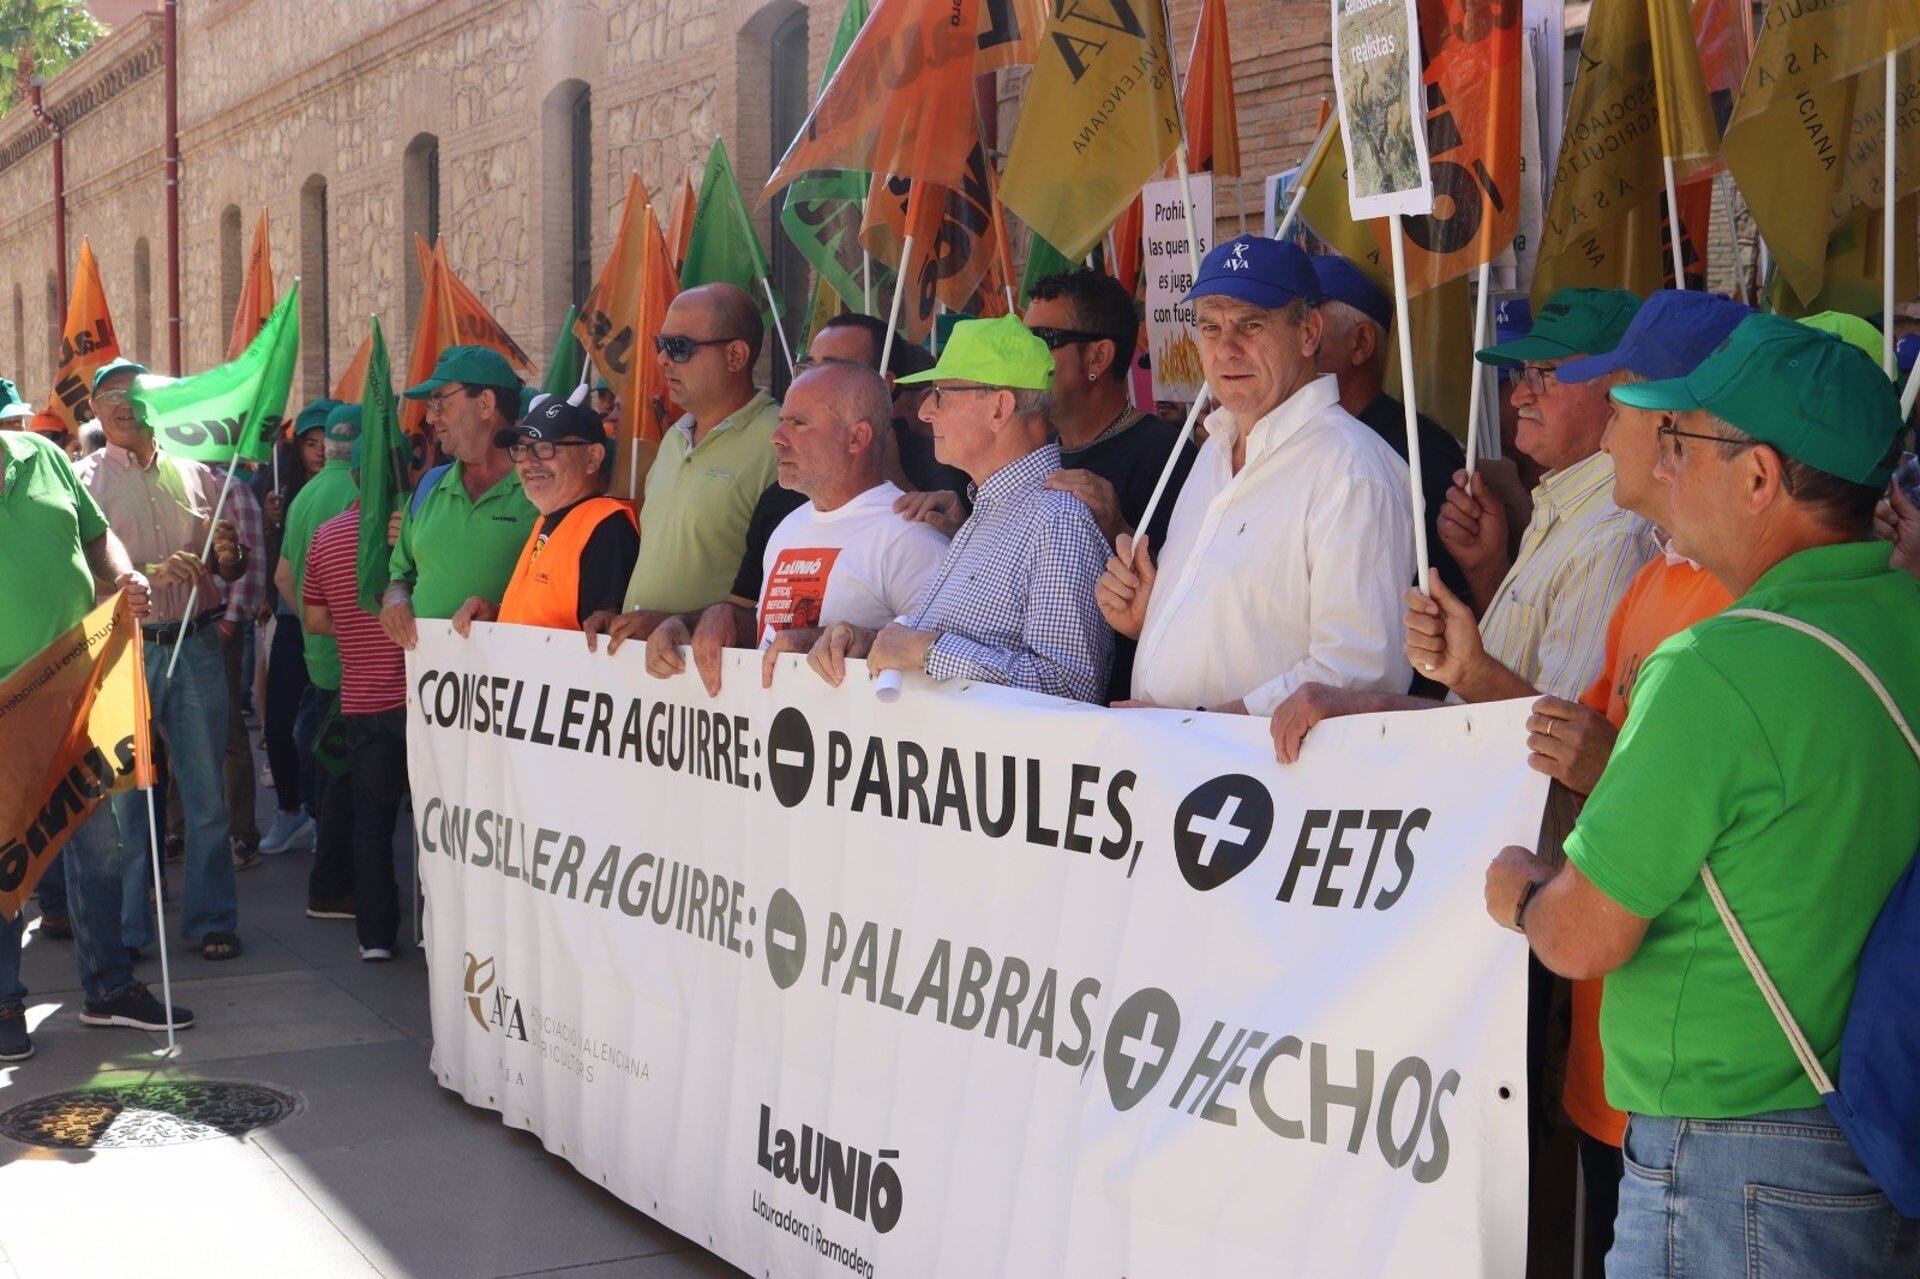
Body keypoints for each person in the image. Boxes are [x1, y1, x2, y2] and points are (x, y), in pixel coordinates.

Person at [1486, 314, 1920, 1274]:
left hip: (1730, 1161)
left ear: (1760, 478)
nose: (1661, 463)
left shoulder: (1717, 667)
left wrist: (1518, 888)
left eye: (1680, 442)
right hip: (1874, 1130)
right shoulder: (1905, 616)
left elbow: (1584, 933)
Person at [1487, 290, 1748, 1274]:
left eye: (1625, 398)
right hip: (1621, 1061)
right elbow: (1580, 750)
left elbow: (1607, 812)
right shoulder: (1654, 584)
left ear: (1680, 429)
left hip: (1705, 1101)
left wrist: (1522, 893)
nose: (1611, 426)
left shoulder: (1742, 614)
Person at [1268, 287, 1656, 759]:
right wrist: (1488, 570)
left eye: (1545, 375)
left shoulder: (1615, 535)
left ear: (1618, 390)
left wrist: (1455, 675)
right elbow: (1508, 693)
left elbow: (1565, 752)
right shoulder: (1565, 503)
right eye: (1522, 373)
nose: (1519, 395)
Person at [1096, 236, 1415, 715]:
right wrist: (1155, 615)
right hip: (1177, 767)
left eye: (1251, 324)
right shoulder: (1215, 450)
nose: (1226, 349)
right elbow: (1246, 627)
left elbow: (1358, 673)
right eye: (1210, 327)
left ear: (1309, 333)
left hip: (1259, 780)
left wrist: (1190, 727)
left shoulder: (1352, 472)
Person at [0, 428, 194, 1060]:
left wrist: (124, 572)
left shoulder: (44, 455)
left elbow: (97, 532)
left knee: (100, 846)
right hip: (4, 703)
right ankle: (3, 1003)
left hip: (74, 688)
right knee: (6, 857)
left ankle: (107, 988)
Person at [803, 316, 1112, 703]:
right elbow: (942, 640)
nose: (925, 412)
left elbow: (1072, 687)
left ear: (999, 409)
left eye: (941, 394)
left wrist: (926, 650)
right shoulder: (987, 511)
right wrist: (871, 641)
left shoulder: (1058, 520)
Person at [78, 357, 249, 963]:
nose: (124, 404)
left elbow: (230, 568)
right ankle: (127, 931)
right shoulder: (80, 483)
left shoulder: (197, 474)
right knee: (125, 802)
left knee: (206, 796)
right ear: (93, 409)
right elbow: (76, 582)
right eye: (110, 394)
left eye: (135, 391)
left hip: (196, 644)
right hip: (120, 655)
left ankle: (210, 921)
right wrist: (147, 573)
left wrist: (229, 555)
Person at [643, 360, 949, 692]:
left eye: (798, 423)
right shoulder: (788, 526)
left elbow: (941, 667)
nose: (776, 437)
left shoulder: (910, 537)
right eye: (781, 422)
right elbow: (774, 633)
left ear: (857, 437)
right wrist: (697, 623)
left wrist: (846, 644)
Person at [1025, 268, 1196, 703]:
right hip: (1032, 713)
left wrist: (1118, 526)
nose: (1021, 356)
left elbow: (1195, 601)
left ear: (1097, 358)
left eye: (1040, 341)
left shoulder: (1170, 456)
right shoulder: (1029, 449)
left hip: (1125, 717)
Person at [588, 283, 781, 650]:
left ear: (736, 356)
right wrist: (619, 612)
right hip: (650, 675)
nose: (662, 360)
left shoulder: (780, 442)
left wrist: (674, 624)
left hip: (717, 682)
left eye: (679, 348)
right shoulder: (674, 439)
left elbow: (777, 596)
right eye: (661, 344)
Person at [302, 435, 410, 963]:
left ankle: (375, 936)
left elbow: (315, 619)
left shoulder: (325, 537)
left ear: (356, 477)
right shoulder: (412, 531)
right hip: (421, 702)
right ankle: (438, 929)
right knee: (437, 824)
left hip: (362, 699)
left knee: (372, 822)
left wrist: (355, 623)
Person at [1310, 252, 1468, 599]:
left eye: (1309, 333)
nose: (1292, 350)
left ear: (1361, 343)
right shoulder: (1293, 442)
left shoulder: (1422, 451)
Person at [381, 345, 537, 649]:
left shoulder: (541, 490)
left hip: (514, 688)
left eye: (439, 403)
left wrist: (498, 615)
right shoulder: (429, 485)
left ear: (485, 403)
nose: (430, 418)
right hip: (432, 688)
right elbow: (400, 575)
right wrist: (396, 600)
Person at [451, 397, 637, 633]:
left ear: (592, 457)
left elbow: (605, 640)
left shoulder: (608, 528)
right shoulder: (550, 519)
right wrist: (497, 615)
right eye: (521, 448)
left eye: (545, 448)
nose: (528, 461)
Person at [279, 406, 361, 919]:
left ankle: (332, 882)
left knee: (334, 773)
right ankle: (333, 886)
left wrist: (313, 625)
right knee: (348, 781)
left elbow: (285, 578)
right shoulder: (357, 494)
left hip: (322, 655)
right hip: (357, 661)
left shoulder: (307, 494)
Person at [258, 398, 338, 855]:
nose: (322, 450)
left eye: (328, 440)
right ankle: (290, 808)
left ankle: (323, 814)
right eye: (312, 442)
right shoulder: (281, 494)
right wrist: (273, 525)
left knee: (323, 727)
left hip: (333, 627)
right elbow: (277, 568)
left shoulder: (354, 487)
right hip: (292, 622)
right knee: (280, 721)